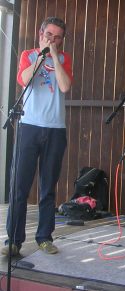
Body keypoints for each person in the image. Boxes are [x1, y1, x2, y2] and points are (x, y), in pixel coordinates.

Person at [2, 17, 73, 256]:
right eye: (49, 35)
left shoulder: (64, 59)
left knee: (48, 187)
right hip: (29, 126)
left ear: (62, 40)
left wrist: (53, 55)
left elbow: (64, 87)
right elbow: (24, 80)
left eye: (57, 37)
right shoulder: (28, 55)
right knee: (19, 186)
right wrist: (42, 55)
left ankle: (44, 237)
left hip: (55, 129)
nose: (52, 39)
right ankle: (13, 240)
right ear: (40, 33)